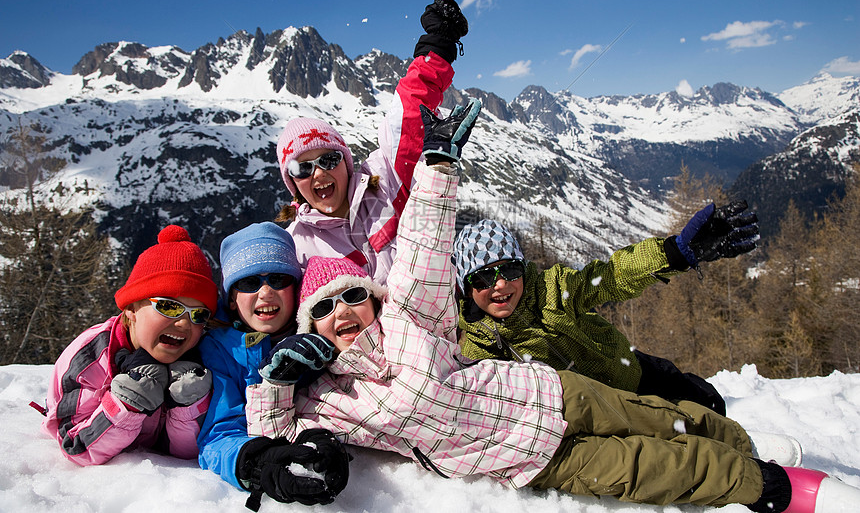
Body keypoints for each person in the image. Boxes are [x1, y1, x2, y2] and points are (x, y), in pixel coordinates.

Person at [243, 102, 860, 512]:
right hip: (535, 457)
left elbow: (428, 245)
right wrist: (277, 378)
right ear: (309, 326)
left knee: (675, 416)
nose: (344, 310)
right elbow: (273, 435)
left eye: (355, 294)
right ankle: (769, 486)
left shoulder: (412, 320)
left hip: (557, 391)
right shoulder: (323, 399)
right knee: (653, 465)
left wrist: (436, 165)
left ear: (376, 299)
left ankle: (745, 443)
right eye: (326, 309)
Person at [451, 206, 759, 416]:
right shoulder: (479, 352)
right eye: (484, 276)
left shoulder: (553, 288)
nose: (501, 284)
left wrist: (674, 253)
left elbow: (608, 278)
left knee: (709, 401)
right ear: (466, 285)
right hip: (607, 414)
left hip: (633, 371)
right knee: (684, 428)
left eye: (510, 269)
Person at [275, 0, 474, 284]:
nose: (319, 173)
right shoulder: (295, 247)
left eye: (329, 159)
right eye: (302, 168)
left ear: (346, 161)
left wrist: (438, 47)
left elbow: (405, 122)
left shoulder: (382, 182)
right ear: (291, 182)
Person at [196, 222, 349, 511]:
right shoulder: (220, 351)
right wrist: (255, 463)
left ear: (296, 287)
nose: (266, 292)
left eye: (279, 279)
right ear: (231, 298)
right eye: (250, 282)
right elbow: (218, 435)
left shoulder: (324, 329)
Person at [42, 225, 216, 466]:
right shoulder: (91, 358)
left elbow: (189, 454)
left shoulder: (202, 360)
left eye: (199, 314)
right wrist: (127, 404)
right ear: (131, 309)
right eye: (168, 306)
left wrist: (187, 406)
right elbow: (75, 447)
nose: (184, 323)